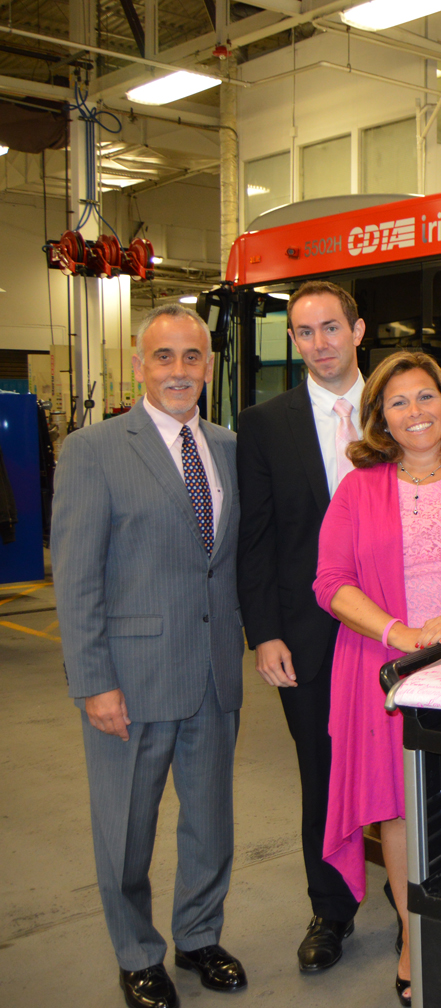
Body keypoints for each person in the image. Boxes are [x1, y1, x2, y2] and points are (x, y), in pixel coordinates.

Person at [53, 304, 248, 1008]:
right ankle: (137, 953)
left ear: (209, 366)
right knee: (127, 831)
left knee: (211, 824)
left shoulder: (229, 446)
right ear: (139, 365)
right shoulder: (94, 450)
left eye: (192, 356)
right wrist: (93, 681)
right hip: (131, 684)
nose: (178, 370)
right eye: (163, 356)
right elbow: (76, 579)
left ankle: (198, 936)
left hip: (213, 674)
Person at [313, 351, 441, 1006]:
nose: (414, 411)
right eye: (398, 402)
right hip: (385, 668)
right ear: (380, 418)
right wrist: (401, 632)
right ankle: (413, 937)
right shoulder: (358, 488)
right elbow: (331, 583)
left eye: (425, 397)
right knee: (396, 805)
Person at [236, 280, 367, 970]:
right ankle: (331, 910)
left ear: (358, 330)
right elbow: (255, 541)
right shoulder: (265, 424)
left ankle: (415, 901)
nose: (320, 343)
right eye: (305, 332)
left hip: (400, 634)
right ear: (293, 341)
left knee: (409, 770)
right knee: (321, 774)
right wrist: (265, 634)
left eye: (331, 328)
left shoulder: (404, 407)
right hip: (307, 637)